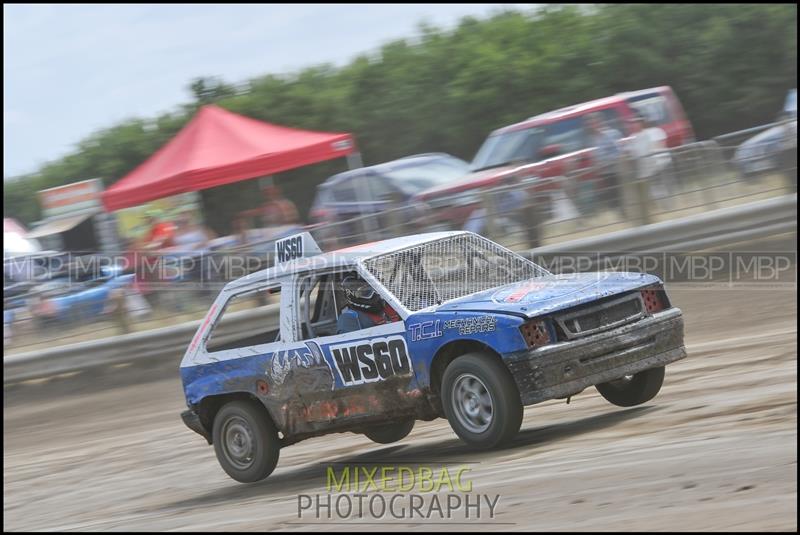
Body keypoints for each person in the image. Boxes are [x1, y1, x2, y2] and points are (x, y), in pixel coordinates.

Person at [586, 113, 623, 211]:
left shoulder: (611, 134)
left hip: (615, 171)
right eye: (590, 124)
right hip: (605, 173)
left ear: (600, 122)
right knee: (612, 198)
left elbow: (619, 152)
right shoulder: (594, 138)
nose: (592, 126)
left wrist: (604, 162)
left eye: (594, 123)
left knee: (620, 195)